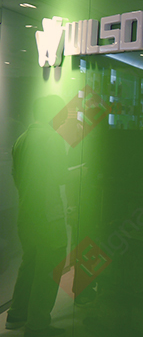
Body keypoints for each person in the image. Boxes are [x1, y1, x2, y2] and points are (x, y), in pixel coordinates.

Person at [6, 96, 68, 337]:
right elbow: (60, 176)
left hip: (26, 212)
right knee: (49, 268)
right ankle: (38, 324)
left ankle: (16, 315)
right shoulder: (52, 139)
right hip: (48, 214)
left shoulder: (21, 140)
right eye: (62, 112)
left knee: (29, 263)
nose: (64, 117)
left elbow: (16, 176)